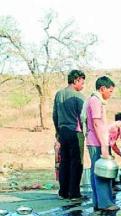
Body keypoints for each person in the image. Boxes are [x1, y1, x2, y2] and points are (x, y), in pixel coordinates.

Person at [85, 76, 118, 211]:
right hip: (97, 141)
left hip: (95, 140)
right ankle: (105, 203)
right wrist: (104, 146)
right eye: (110, 91)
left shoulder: (94, 100)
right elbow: (97, 123)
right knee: (102, 172)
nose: (111, 94)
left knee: (96, 171)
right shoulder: (96, 101)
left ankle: (98, 202)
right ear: (102, 88)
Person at [52, 69, 86, 201]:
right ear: (76, 80)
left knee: (64, 162)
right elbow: (83, 117)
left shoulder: (59, 94)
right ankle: (74, 193)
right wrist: (85, 133)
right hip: (75, 132)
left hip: (62, 131)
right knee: (76, 163)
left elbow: (54, 115)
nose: (82, 86)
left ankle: (63, 192)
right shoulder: (78, 96)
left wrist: (58, 133)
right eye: (82, 82)